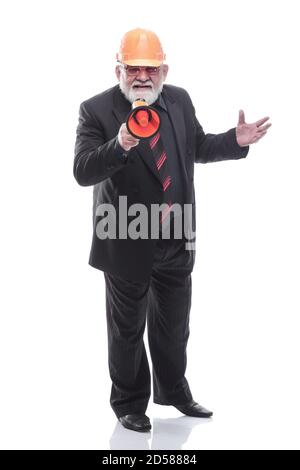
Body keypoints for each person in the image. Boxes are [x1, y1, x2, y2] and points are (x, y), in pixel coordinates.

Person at [73, 28, 271, 433]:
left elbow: (195, 146)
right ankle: (129, 403)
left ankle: (174, 392)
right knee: (127, 329)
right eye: (133, 68)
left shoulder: (178, 100)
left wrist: (234, 141)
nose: (142, 76)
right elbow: (83, 170)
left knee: (173, 326)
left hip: (177, 236)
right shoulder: (95, 111)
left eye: (150, 68)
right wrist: (121, 143)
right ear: (119, 70)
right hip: (126, 239)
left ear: (164, 69)